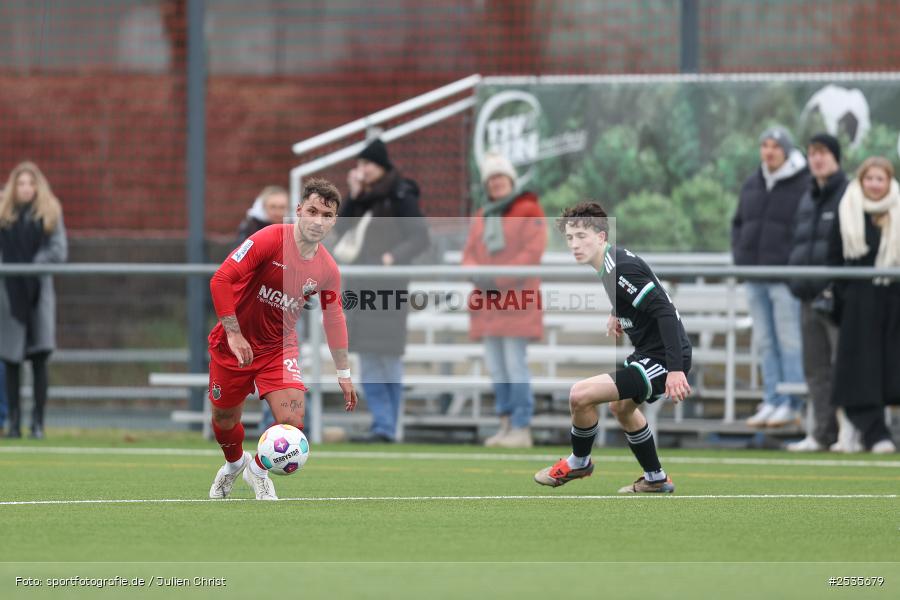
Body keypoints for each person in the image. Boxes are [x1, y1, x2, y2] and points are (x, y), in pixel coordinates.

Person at [206, 177, 359, 501]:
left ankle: (258, 470)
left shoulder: (328, 269)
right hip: (234, 343)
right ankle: (234, 465)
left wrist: (343, 374)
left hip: (278, 348)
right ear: (299, 210)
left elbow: (333, 317)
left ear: (334, 221)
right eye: (313, 211)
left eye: (327, 216)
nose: (318, 221)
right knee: (223, 419)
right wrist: (233, 333)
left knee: (292, 419)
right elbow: (221, 279)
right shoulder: (269, 238)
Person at [534, 202, 692, 492]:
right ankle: (656, 479)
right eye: (570, 238)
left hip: (662, 358)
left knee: (580, 395)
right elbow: (642, 294)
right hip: (648, 354)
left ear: (601, 237)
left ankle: (579, 462)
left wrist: (675, 370)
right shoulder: (610, 265)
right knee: (621, 408)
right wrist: (616, 312)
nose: (574, 244)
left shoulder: (620, 268)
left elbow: (665, 313)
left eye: (582, 236)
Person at [331, 138, 429, 443]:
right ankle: (381, 424)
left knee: (388, 356)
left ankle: (389, 425)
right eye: (359, 165)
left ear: (382, 166)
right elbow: (340, 227)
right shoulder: (365, 197)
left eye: (368, 164)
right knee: (367, 357)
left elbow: (420, 237)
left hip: (389, 288)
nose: (363, 170)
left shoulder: (401, 194)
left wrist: (391, 258)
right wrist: (353, 194)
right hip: (360, 287)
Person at [462, 151, 546, 448]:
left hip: (517, 302)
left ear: (510, 179)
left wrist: (495, 278)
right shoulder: (483, 215)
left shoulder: (529, 210)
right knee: (497, 368)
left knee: (514, 365)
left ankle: (521, 427)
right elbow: (469, 254)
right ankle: (506, 424)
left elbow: (531, 254)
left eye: (500, 176)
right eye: (491, 178)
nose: (496, 182)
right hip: (488, 304)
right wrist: (478, 275)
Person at [732, 126, 809, 428]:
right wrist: (741, 257)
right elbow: (738, 224)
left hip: (784, 278)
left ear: (786, 150)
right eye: (765, 145)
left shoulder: (803, 182)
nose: (769, 151)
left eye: (775, 146)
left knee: (789, 341)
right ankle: (773, 399)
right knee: (764, 341)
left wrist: (791, 263)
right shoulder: (753, 182)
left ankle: (792, 402)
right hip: (754, 275)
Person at [827, 156, 900, 454]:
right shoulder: (846, 209)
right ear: (861, 180)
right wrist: (845, 298)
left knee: (891, 372)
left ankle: (871, 431)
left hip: (894, 304)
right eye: (869, 178)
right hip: (858, 307)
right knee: (859, 373)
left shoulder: (897, 210)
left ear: (888, 181)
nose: (874, 184)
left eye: (879, 179)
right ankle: (871, 433)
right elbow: (834, 257)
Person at [785, 134, 848, 451]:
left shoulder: (849, 192)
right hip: (807, 296)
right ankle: (822, 433)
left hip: (838, 297)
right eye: (812, 153)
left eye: (823, 153)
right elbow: (797, 243)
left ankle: (850, 434)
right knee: (816, 369)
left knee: (843, 366)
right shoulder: (807, 196)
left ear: (835, 157)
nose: (817, 159)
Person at [0, 162, 67, 439]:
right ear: (13, 187)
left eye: (30, 183)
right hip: (9, 296)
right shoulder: (4, 216)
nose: (26, 188)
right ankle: (14, 423)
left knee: (39, 359)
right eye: (21, 183)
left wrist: (30, 267)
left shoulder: (50, 214)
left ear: (37, 187)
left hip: (39, 294)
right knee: (11, 361)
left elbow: (58, 250)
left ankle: (38, 423)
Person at [233, 185, 291, 435]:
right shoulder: (250, 232)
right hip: (251, 312)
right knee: (244, 368)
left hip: (280, 313)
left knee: (277, 370)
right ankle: (235, 421)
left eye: (282, 207)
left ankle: (274, 424)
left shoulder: (295, 233)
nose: (278, 212)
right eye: (273, 207)